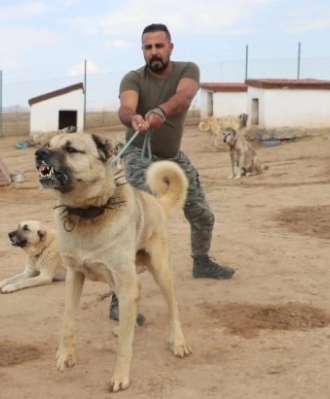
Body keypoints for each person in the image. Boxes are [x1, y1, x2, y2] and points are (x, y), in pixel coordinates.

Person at [109, 23, 235, 322]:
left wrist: (160, 112)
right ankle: (118, 300)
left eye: (158, 46)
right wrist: (135, 117)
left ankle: (202, 262)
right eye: (147, 47)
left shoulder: (187, 70)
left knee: (202, 214)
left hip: (173, 157)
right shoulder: (133, 78)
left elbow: (184, 97)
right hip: (139, 156)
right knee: (141, 224)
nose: (153, 52)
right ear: (143, 50)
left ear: (170, 48)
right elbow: (125, 108)